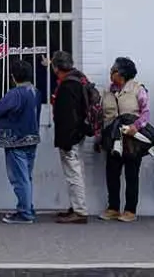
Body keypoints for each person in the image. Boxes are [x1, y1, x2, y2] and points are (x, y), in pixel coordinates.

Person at [0, 59, 41, 225]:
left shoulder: (15, 94)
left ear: (13, 76)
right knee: (26, 177)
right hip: (32, 138)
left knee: (19, 179)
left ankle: (24, 213)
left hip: (15, 140)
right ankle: (27, 207)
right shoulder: (35, 92)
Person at [98, 56, 149, 223]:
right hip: (112, 137)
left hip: (131, 138)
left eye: (113, 70)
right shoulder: (108, 91)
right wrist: (100, 137)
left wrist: (137, 126)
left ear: (121, 73)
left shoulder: (137, 89)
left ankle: (130, 210)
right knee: (111, 173)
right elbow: (102, 116)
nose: (110, 72)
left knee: (132, 174)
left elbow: (145, 112)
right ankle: (113, 208)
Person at [47, 51, 92, 224]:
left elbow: (67, 117)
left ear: (56, 67)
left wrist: (65, 141)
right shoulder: (79, 79)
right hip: (78, 133)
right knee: (76, 172)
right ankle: (76, 207)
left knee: (73, 174)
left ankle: (80, 211)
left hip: (70, 137)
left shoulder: (67, 86)